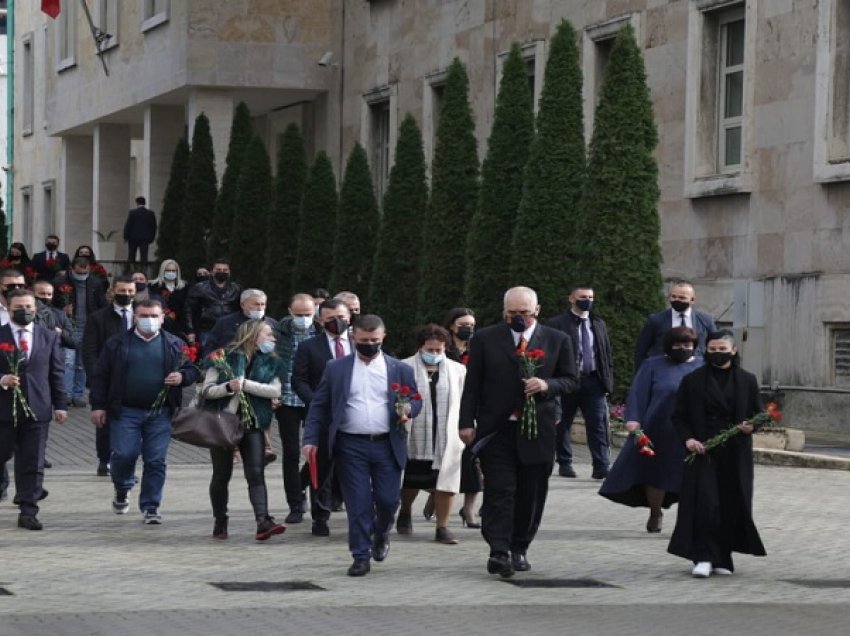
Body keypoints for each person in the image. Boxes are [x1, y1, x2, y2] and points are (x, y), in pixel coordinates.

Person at [458, 286, 578, 578]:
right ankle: (498, 550)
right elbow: (472, 385)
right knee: (501, 489)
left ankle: (519, 547)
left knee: (531, 492)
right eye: (512, 313)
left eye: (523, 313)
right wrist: (465, 423)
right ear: (504, 312)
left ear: (536, 310)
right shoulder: (486, 338)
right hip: (497, 429)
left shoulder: (557, 339)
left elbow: (572, 380)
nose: (518, 318)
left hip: (538, 429)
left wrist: (547, 386)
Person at [303, 314, 421, 577]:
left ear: (383, 337)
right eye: (365, 340)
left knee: (389, 501)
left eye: (375, 340)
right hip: (350, 445)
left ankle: (381, 534)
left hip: (387, 444)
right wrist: (310, 439)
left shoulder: (400, 369)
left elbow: (416, 399)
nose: (370, 344)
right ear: (353, 337)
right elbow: (319, 406)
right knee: (358, 503)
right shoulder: (336, 368)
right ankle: (360, 554)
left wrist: (410, 408)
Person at [667, 330, 766, 577]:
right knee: (705, 503)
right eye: (712, 350)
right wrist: (688, 439)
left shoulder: (747, 380)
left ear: (733, 350)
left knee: (731, 503)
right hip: (703, 451)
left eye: (722, 350)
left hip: (735, 452)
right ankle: (702, 556)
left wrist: (752, 426)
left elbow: (759, 413)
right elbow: (679, 416)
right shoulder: (693, 380)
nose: (717, 354)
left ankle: (723, 557)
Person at [89, 299, 198, 524]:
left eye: (153, 316)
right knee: (123, 454)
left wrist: (182, 377)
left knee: (156, 460)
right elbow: (100, 375)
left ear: (162, 318)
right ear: (135, 318)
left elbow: (192, 369)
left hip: (160, 412)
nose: (149, 320)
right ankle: (123, 485)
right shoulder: (117, 343)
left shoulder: (174, 344)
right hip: (125, 410)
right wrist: (98, 406)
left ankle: (150, 506)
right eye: (143, 315)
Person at [599, 327, 703, 532]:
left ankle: (689, 520)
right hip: (659, 428)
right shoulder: (653, 365)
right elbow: (638, 393)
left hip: (693, 430)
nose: (682, 349)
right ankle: (655, 512)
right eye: (677, 345)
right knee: (657, 475)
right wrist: (633, 419)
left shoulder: (703, 366)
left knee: (694, 477)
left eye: (687, 345)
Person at [202, 319, 287, 541]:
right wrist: (228, 387)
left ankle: (263, 521)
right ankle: (220, 520)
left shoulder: (272, 362)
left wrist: (246, 384)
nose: (273, 339)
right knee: (222, 474)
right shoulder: (222, 357)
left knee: (256, 473)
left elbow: (275, 391)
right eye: (269, 335)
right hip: (224, 423)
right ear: (253, 335)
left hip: (253, 423)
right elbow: (207, 391)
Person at [0, 289, 68, 530]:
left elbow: (56, 373)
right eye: (19, 307)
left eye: (29, 307)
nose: (25, 311)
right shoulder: (1, 335)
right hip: (4, 410)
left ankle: (28, 510)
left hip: (38, 409)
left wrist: (61, 405)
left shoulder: (48, 336)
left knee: (33, 461)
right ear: (8, 309)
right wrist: (2, 379)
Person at [397, 324, 466, 545]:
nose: (434, 354)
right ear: (421, 347)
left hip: (446, 435)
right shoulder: (404, 367)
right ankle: (405, 512)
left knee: (446, 482)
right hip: (414, 434)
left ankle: (442, 527)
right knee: (410, 480)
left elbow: (465, 401)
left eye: (439, 350)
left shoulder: (458, 370)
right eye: (430, 349)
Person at [292, 298, 353, 536]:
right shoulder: (309, 347)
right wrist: (316, 402)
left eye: (341, 318)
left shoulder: (359, 344)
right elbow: (299, 380)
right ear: (319, 320)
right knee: (322, 467)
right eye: (330, 319)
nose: (337, 323)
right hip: (322, 416)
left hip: (354, 415)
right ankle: (321, 515)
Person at [547, 285, 614, 479]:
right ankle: (565, 462)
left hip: (593, 380)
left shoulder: (598, 323)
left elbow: (605, 353)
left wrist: (607, 381)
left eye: (591, 297)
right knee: (562, 423)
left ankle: (601, 465)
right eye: (583, 297)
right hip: (566, 381)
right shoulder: (557, 323)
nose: (587, 301)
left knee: (597, 425)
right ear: (571, 298)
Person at [82, 276, 137, 476]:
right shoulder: (98, 318)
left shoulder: (141, 316)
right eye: (122, 291)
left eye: (131, 291)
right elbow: (89, 350)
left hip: (133, 378)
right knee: (104, 421)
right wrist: (95, 376)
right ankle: (104, 459)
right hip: (107, 378)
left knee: (130, 421)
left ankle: (124, 461)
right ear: (113, 291)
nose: (127, 295)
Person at [272, 293, 319, 524]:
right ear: (290, 312)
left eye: (308, 314)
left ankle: (302, 486)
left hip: (314, 400)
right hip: (286, 400)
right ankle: (295, 504)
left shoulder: (320, 332)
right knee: (290, 454)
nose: (304, 319)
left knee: (317, 452)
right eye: (299, 315)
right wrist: (272, 391)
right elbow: (268, 362)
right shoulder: (279, 333)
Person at [443, 307, 481, 528]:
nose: (468, 329)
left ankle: (469, 508)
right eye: (463, 325)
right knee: (447, 460)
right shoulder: (443, 349)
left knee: (473, 460)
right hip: (448, 409)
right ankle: (437, 497)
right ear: (452, 326)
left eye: (471, 325)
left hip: (473, 410)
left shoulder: (478, 348)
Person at [52, 256, 108, 406]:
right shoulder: (60, 283)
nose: (82, 276)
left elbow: (101, 304)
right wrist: (61, 310)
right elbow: (51, 304)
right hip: (69, 326)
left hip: (88, 326)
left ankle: (78, 394)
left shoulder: (96, 283)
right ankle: (66, 395)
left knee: (82, 363)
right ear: (72, 269)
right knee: (68, 361)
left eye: (85, 273)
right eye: (79, 273)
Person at [634, 280, 717, 370]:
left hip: (696, 370)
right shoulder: (656, 320)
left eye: (682, 298)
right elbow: (641, 349)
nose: (677, 300)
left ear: (692, 300)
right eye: (673, 297)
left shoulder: (705, 320)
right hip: (663, 369)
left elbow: (714, 344)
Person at [203, 288, 277, 355]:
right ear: (242, 305)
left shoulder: (272, 324)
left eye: (263, 304)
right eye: (256, 304)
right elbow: (210, 347)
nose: (260, 308)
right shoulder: (225, 323)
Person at [185, 260, 241, 347]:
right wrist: (190, 331)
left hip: (230, 331)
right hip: (207, 330)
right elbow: (189, 310)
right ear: (211, 272)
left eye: (225, 270)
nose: (222, 272)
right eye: (218, 270)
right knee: (208, 357)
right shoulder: (200, 288)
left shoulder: (236, 289)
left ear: (229, 272)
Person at [148, 259, 190, 340]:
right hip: (158, 324)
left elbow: (186, 307)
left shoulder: (184, 286)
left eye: (173, 271)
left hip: (179, 325)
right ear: (162, 271)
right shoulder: (153, 286)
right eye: (168, 270)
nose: (171, 272)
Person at [123, 196, 158, 265]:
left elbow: (128, 225)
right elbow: (154, 226)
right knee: (144, 255)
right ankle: (143, 270)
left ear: (137, 203)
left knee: (132, 255)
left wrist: (125, 237)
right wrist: (152, 237)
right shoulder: (150, 213)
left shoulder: (132, 213)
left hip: (133, 237)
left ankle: (132, 270)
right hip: (145, 238)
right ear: (145, 203)